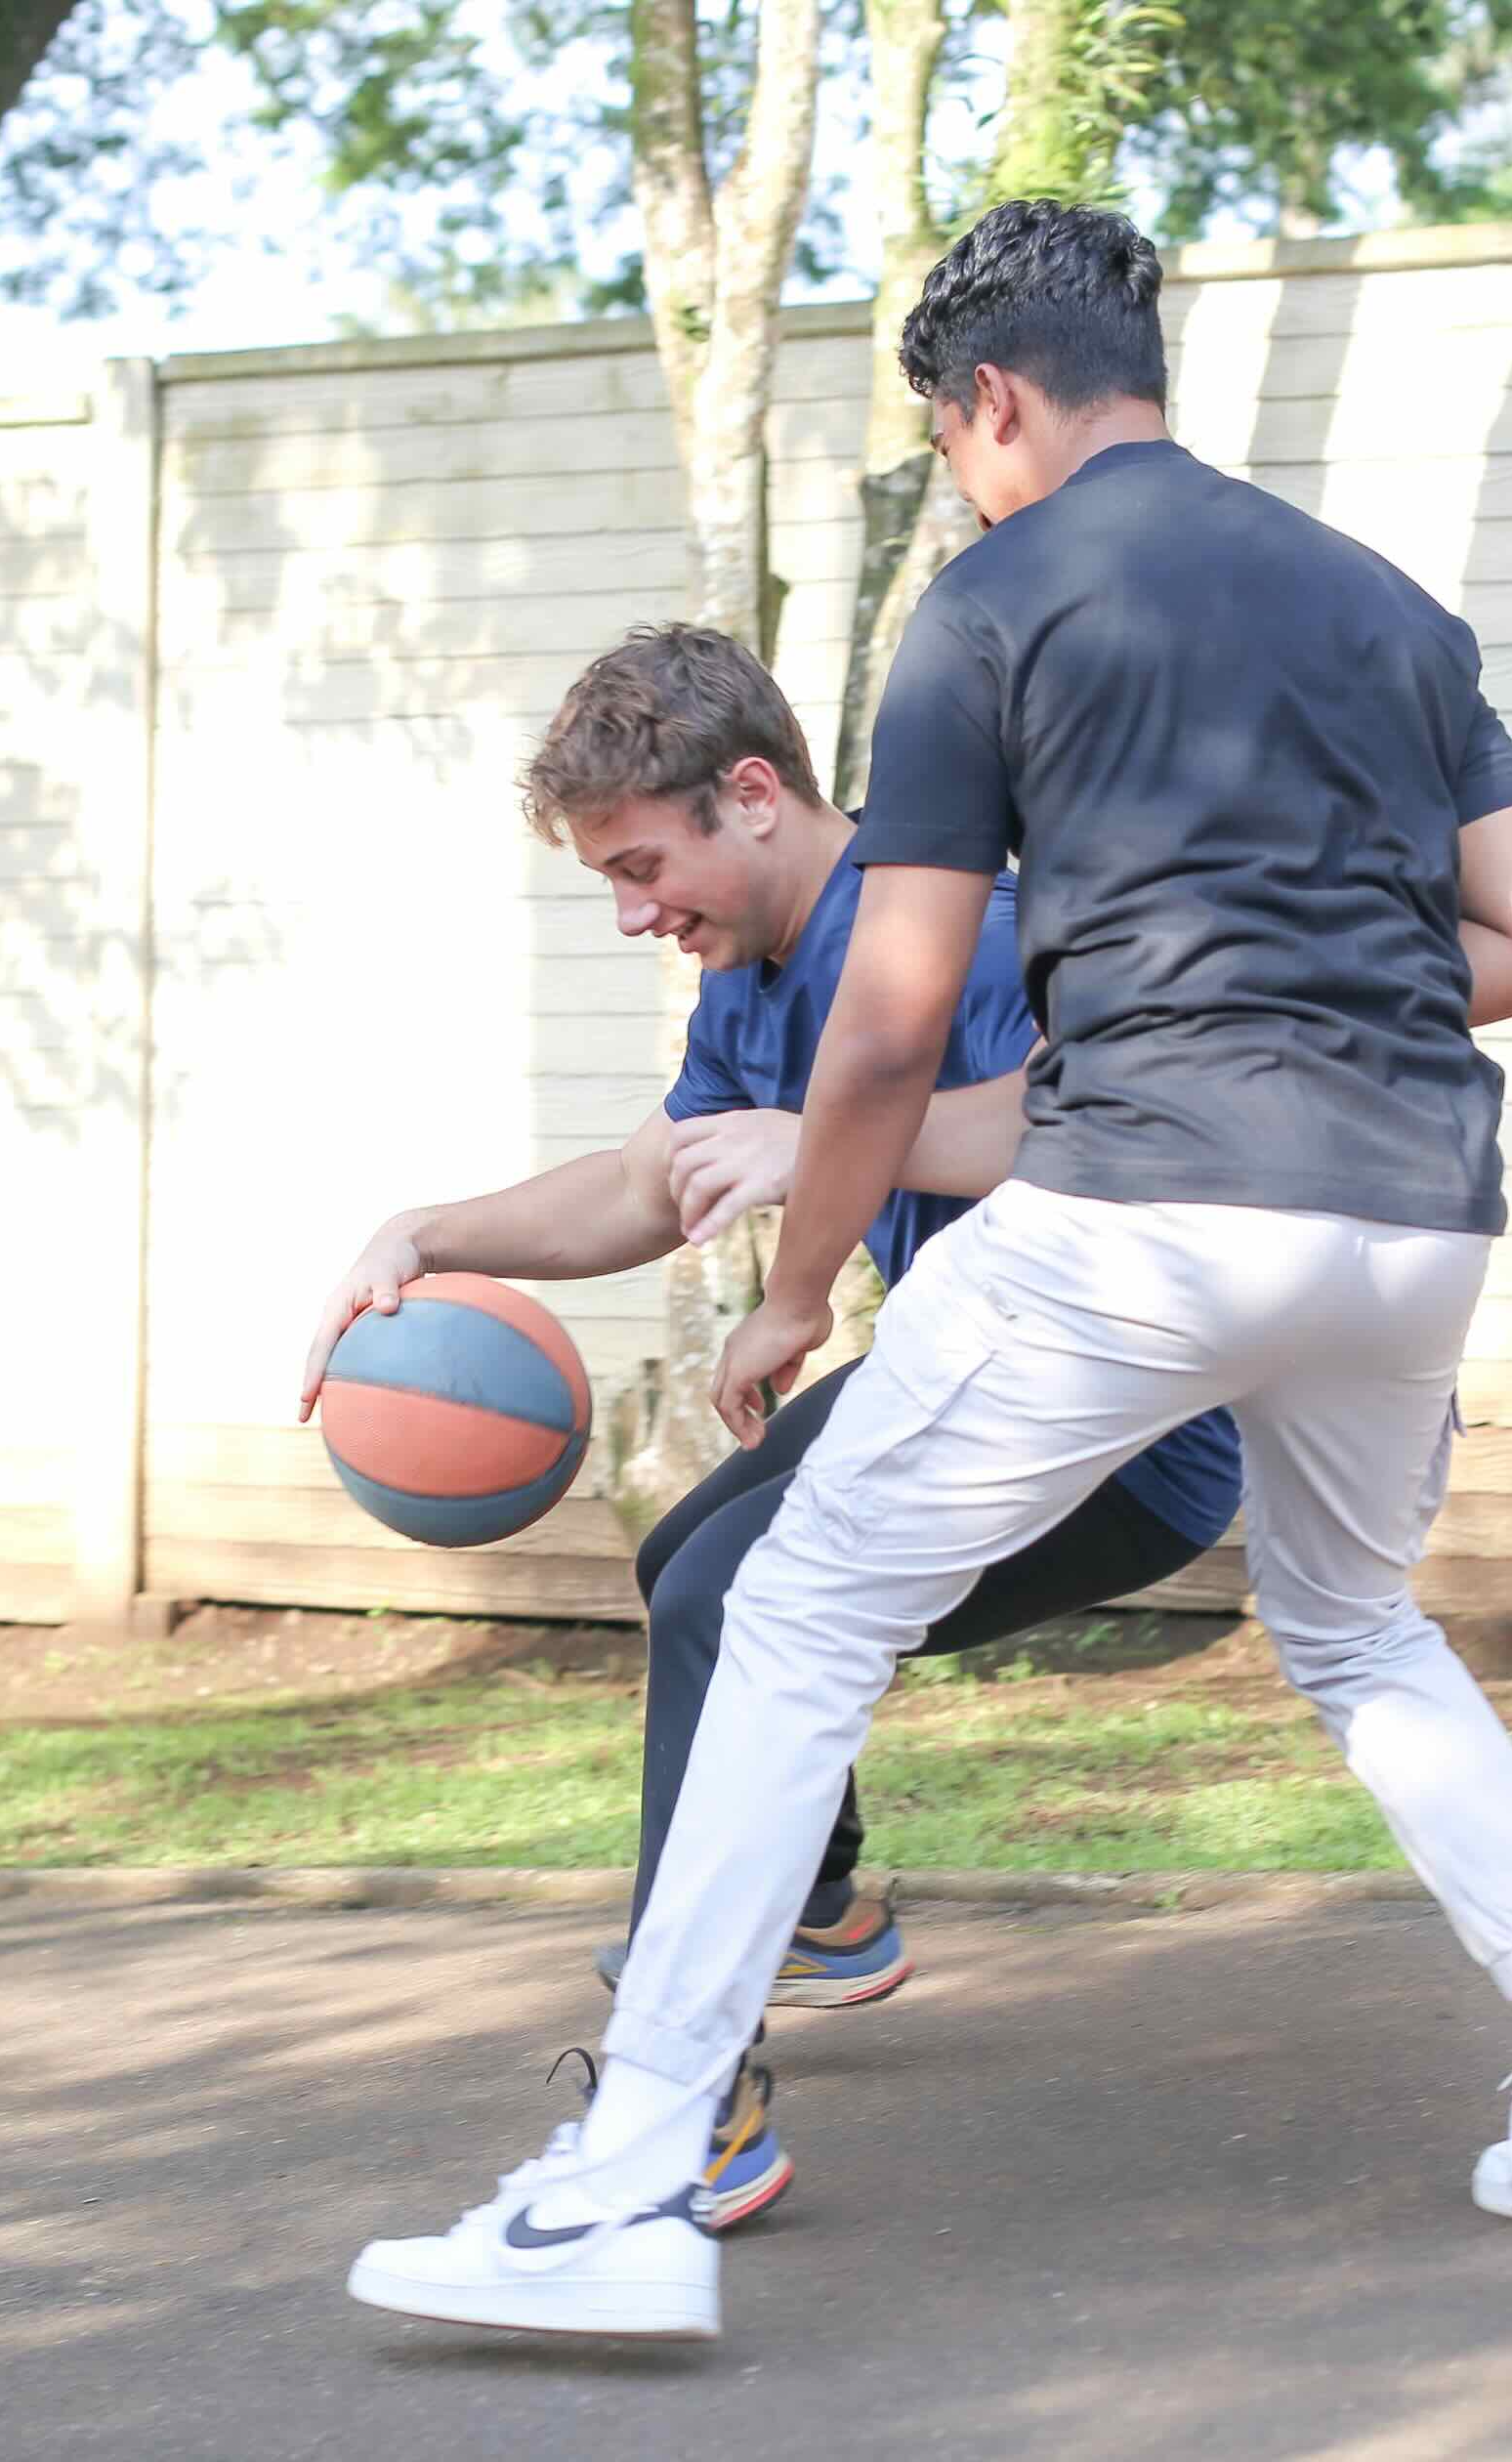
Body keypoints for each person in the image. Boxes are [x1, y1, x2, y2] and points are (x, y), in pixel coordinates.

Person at [347, 199, 1512, 2344]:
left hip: (1152, 1210)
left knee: (789, 1602)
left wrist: (799, 1291)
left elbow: (891, 1018)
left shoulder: (994, 600)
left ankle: (623, 2184)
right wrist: (1313, 993)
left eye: (954, 440)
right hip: (1409, 1222)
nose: (966, 478)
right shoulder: (1379, 606)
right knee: (1358, 1630)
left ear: (985, 402)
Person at [297, 624, 1244, 2232]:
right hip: (968, 1377)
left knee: (725, 1607)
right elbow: (637, 1189)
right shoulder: (750, 977)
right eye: (606, 877)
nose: (633, 911)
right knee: (690, 1556)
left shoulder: (960, 929)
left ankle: (693, 2096)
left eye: (646, 864)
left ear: (754, 795)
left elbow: (1082, 1127)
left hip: (1120, 1429)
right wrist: (428, 1230)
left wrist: (818, 1151)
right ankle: (814, 1904)